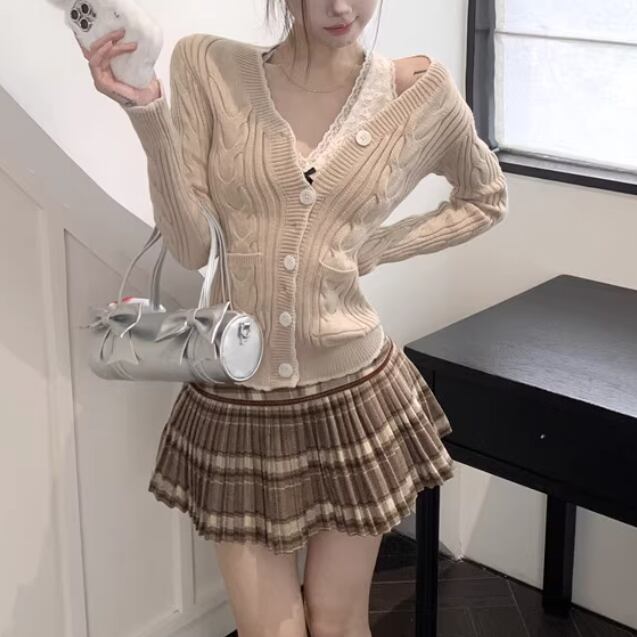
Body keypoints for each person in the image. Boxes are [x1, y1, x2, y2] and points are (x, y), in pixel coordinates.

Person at [75, 1, 508, 635]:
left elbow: (485, 197)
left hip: (352, 395)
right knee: (267, 628)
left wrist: (376, 247)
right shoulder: (209, 66)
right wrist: (147, 113)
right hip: (238, 398)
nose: (341, 7)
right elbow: (191, 246)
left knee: (337, 622)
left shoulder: (419, 93)